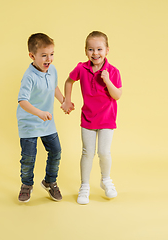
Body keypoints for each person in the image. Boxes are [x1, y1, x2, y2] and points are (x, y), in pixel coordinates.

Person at [61, 31, 122, 204]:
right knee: (87, 153)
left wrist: (108, 80)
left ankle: (106, 180)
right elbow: (68, 81)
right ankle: (84, 186)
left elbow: (117, 95)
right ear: (86, 51)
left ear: (107, 50)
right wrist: (67, 101)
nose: (95, 53)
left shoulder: (113, 71)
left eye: (99, 49)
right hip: (88, 119)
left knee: (103, 152)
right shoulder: (82, 68)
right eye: (91, 49)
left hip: (107, 119)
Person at [17, 33, 73, 203]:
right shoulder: (29, 76)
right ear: (32, 56)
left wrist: (64, 101)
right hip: (29, 123)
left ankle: (49, 181)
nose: (49, 59)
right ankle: (26, 185)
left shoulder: (52, 70)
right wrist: (39, 113)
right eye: (44, 55)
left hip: (47, 122)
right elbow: (22, 101)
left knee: (56, 151)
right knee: (29, 157)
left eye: (52, 54)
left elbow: (54, 87)